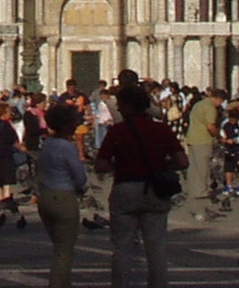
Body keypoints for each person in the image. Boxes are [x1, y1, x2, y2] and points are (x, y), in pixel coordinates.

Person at [95, 83, 187, 288]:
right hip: (155, 190)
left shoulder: (117, 131)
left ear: (128, 107)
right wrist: (161, 166)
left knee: (122, 247)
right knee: (156, 248)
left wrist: (118, 164)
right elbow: (183, 162)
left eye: (120, 105)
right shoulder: (161, 129)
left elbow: (101, 165)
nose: (117, 109)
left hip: (125, 188)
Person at [35, 102, 88, 288]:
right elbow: (79, 177)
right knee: (64, 251)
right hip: (64, 197)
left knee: (58, 246)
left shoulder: (46, 144)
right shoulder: (67, 147)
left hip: (45, 196)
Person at [218, 102, 239, 196]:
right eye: (231, 119)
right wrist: (222, 139)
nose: (232, 122)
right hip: (228, 149)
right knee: (228, 168)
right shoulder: (225, 123)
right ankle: (229, 186)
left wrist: (235, 140)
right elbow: (222, 132)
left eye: (234, 120)